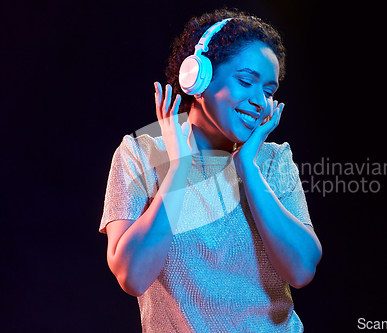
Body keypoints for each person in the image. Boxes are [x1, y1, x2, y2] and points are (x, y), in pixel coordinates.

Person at [99, 8, 322, 332]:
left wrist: (248, 167)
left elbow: (301, 270)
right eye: (246, 81)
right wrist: (178, 170)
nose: (260, 101)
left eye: (269, 91)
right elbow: (132, 276)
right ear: (198, 77)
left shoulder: (272, 160)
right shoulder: (140, 155)